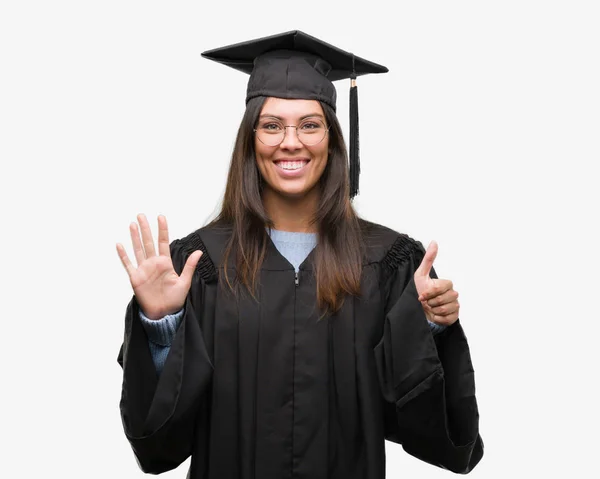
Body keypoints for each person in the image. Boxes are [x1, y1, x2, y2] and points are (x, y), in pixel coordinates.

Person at [116, 30, 484, 479]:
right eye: (272, 126)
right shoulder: (201, 264)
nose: (291, 142)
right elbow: (159, 446)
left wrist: (428, 326)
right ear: (250, 140)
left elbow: (428, 430)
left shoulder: (388, 262)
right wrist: (161, 327)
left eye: (309, 124)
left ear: (331, 140)